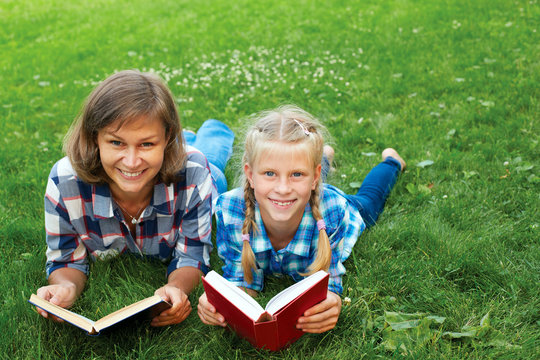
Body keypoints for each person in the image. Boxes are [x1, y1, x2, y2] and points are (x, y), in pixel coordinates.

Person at [35, 70, 233, 327]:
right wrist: (65, 288)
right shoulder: (64, 181)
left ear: (167, 137)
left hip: (202, 175)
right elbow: (65, 258)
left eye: (147, 144)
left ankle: (216, 130)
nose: (131, 161)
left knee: (213, 157)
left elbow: (193, 255)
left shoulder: (194, 172)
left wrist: (176, 288)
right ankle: (182, 139)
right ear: (95, 137)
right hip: (166, 160)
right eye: (116, 142)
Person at [197, 105, 405, 333]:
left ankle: (392, 162)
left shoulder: (334, 212)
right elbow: (242, 279)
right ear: (250, 175)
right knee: (297, 176)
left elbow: (328, 283)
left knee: (370, 199)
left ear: (315, 177)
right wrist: (222, 304)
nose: (283, 188)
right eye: (269, 173)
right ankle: (321, 157)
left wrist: (332, 302)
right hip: (306, 193)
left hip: (326, 205)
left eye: (297, 174)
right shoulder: (232, 210)